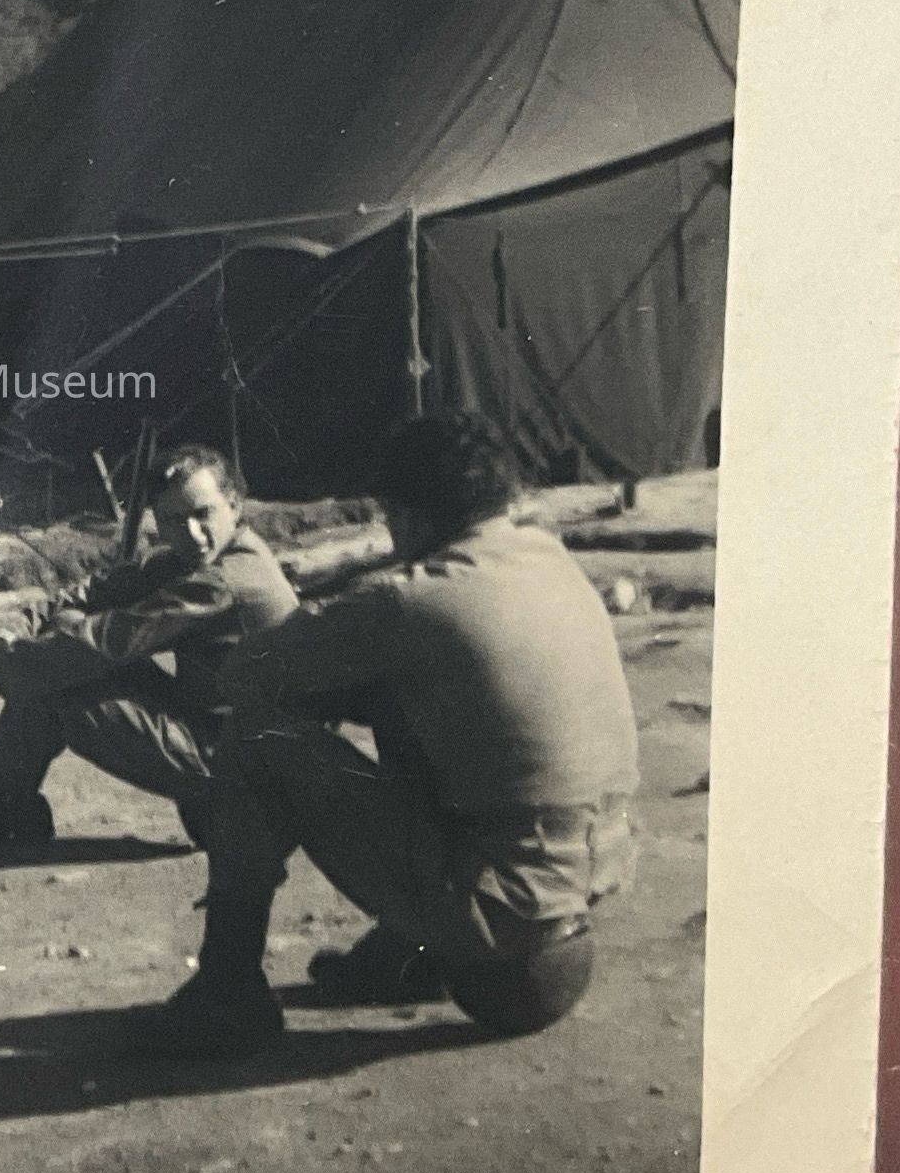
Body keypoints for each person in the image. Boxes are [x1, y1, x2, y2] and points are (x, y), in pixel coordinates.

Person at [148, 411, 641, 1056]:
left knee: (259, 741)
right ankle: (403, 953)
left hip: (499, 951)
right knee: (419, 701)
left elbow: (245, 675)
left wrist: (339, 647)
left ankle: (226, 991)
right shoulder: (548, 557)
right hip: (573, 912)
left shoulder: (411, 600)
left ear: (405, 515)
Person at [0, 445, 297, 857]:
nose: (192, 532)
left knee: (59, 670)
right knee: (60, 646)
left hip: (253, 791)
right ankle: (3, 808)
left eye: (203, 513)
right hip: (229, 752)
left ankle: (2, 811)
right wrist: (13, 627)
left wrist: (0, 656)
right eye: (174, 520)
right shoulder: (207, 554)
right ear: (158, 522)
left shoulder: (224, 579)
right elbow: (97, 591)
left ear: (234, 504)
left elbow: (110, 639)